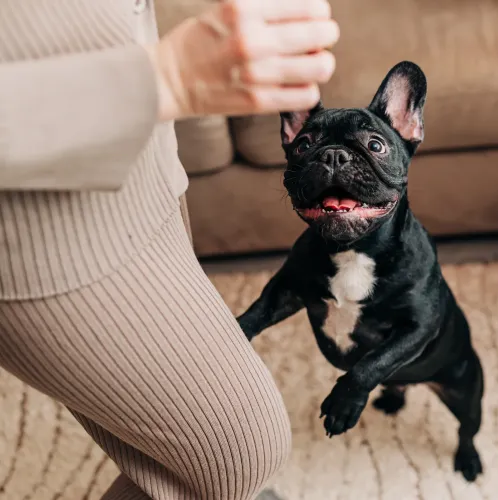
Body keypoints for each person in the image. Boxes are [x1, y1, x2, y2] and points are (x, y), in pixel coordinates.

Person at [0, 0, 338, 499]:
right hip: (37, 234)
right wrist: (167, 79)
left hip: (139, 163)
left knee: (178, 466)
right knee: (241, 447)